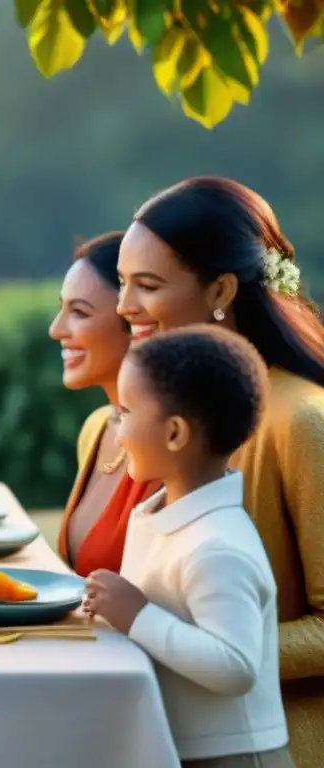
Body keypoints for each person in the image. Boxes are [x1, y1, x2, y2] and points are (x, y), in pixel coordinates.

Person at [116, 176, 324, 767]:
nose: (124, 306)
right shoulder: (170, 417)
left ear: (222, 289)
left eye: (147, 285)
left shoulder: (302, 420)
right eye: (122, 283)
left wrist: (168, 640)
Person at [85, 326, 292, 768]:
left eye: (126, 412)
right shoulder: (162, 517)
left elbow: (235, 665)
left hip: (238, 755)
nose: (116, 430)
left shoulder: (217, 546)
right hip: (187, 747)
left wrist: (136, 614)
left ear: (175, 433)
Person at [50, 232, 157, 576]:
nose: (56, 329)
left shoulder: (176, 443)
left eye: (79, 312)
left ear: (136, 321)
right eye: (60, 309)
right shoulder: (98, 428)